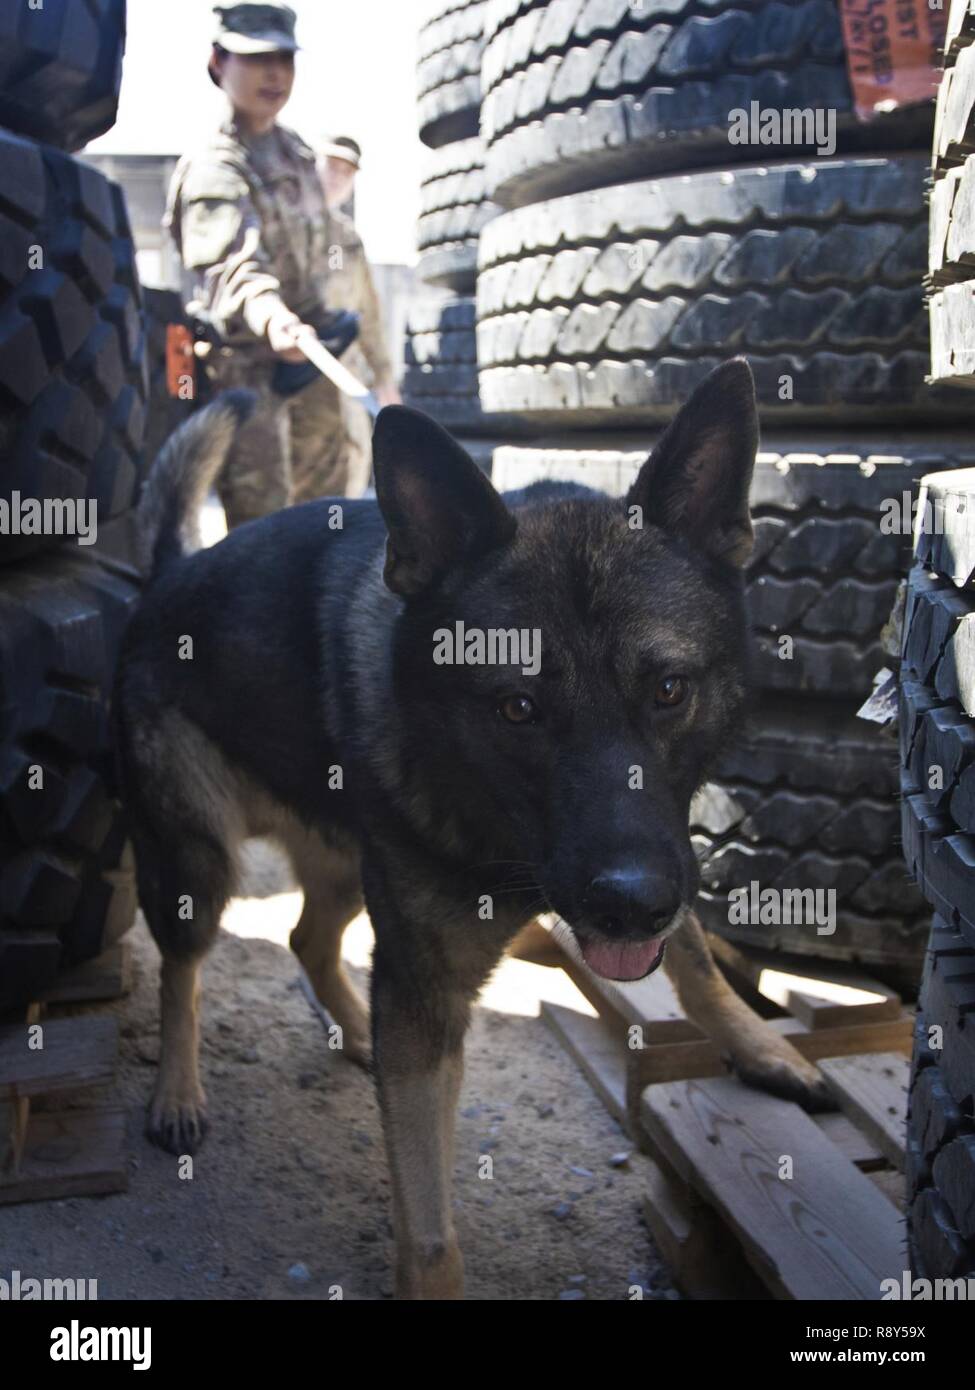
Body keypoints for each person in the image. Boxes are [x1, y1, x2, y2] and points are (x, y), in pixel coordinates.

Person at [165, 3, 355, 527]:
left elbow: (316, 256)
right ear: (218, 62)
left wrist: (326, 324)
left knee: (328, 521)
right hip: (248, 371)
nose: (276, 73)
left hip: (312, 359)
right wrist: (274, 318)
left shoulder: (297, 155)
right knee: (262, 534)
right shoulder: (214, 167)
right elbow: (233, 268)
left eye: (284, 59)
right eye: (256, 58)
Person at [316, 135, 401, 497]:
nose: (338, 177)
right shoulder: (279, 222)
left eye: (347, 173)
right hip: (287, 380)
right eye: (332, 166)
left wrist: (383, 378)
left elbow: (367, 314)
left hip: (342, 385)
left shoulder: (348, 240)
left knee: (344, 487)